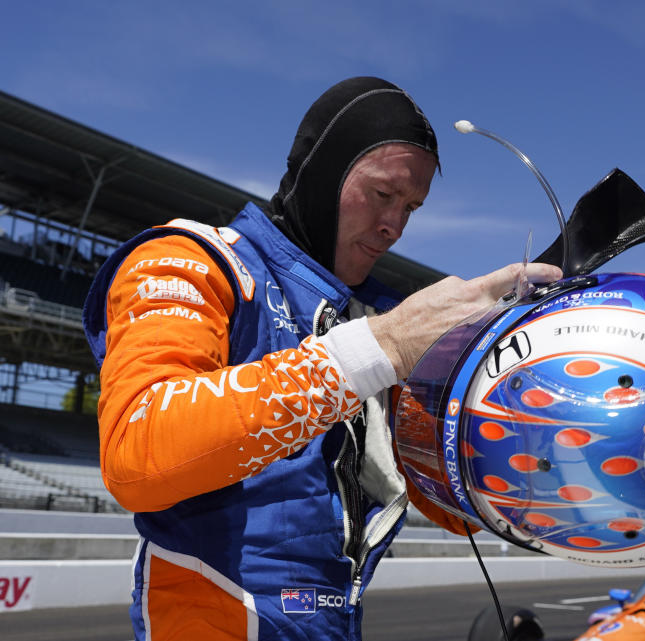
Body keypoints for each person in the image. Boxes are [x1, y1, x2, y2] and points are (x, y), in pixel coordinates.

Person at [82, 76, 562, 641]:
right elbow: (136, 452)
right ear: (323, 171)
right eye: (384, 195)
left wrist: (543, 399)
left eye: (411, 207)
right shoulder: (192, 259)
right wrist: (379, 348)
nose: (394, 226)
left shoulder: (379, 312)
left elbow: (458, 508)